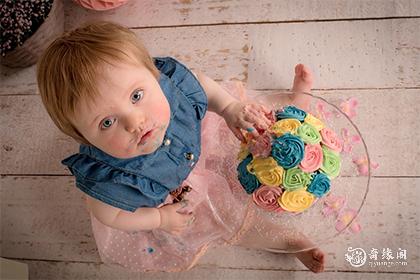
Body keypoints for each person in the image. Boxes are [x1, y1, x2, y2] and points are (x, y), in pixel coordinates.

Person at [37, 21, 325, 273]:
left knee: (252, 121)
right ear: (83, 137)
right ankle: (288, 241)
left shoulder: (170, 85)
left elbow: (202, 85)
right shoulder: (109, 175)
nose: (135, 122)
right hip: (174, 189)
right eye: (107, 122)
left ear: (154, 76)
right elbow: (109, 215)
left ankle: (293, 110)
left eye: (137, 95)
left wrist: (227, 108)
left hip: (194, 137)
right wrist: (159, 217)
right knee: (223, 220)